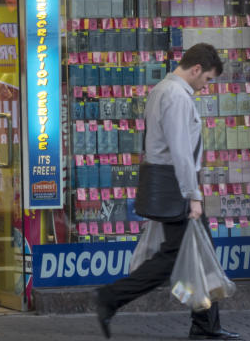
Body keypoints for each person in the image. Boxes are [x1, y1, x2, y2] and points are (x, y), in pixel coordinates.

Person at [96, 43, 239, 341]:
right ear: (196, 69)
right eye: (207, 79)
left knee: (199, 252)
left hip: (172, 186)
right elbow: (180, 151)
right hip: (177, 187)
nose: (206, 86)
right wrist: (193, 195)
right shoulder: (176, 95)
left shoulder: (164, 90)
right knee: (176, 255)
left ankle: (206, 325)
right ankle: (112, 296)